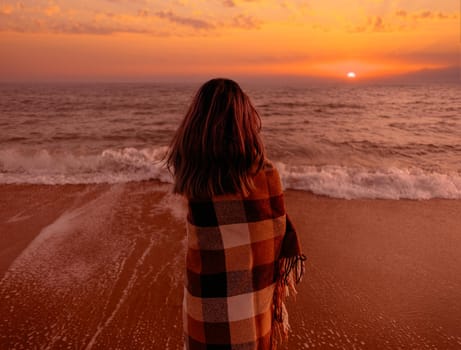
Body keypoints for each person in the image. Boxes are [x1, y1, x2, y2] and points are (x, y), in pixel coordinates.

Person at [166, 78, 305, 349]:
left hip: (204, 306)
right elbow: (273, 235)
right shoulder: (265, 175)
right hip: (252, 307)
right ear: (246, 121)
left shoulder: (194, 177)